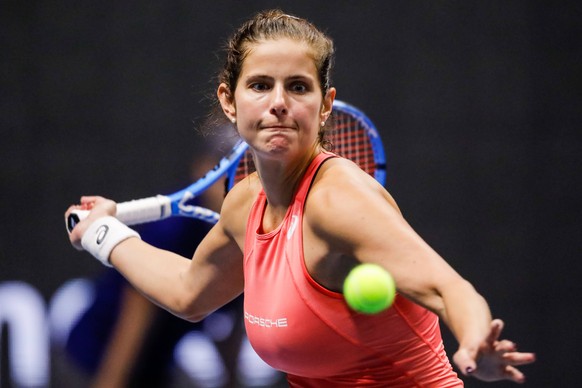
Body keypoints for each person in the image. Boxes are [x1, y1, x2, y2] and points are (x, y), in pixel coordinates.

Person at [65, 9, 535, 387]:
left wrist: (475, 347)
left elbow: (448, 289)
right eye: (260, 85)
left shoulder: (340, 201)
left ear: (325, 103)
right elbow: (189, 292)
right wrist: (104, 233)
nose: (278, 102)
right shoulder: (244, 203)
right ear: (230, 101)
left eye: (297, 86)